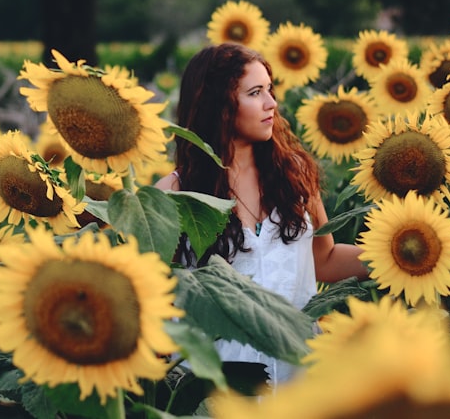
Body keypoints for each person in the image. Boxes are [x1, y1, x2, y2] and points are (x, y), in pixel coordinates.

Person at [155, 42, 368, 384]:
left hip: (298, 373)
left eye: (270, 90)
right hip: (216, 385)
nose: (271, 104)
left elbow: (324, 259)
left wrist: (396, 256)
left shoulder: (294, 175)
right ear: (217, 104)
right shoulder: (175, 195)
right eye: (255, 92)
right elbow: (153, 293)